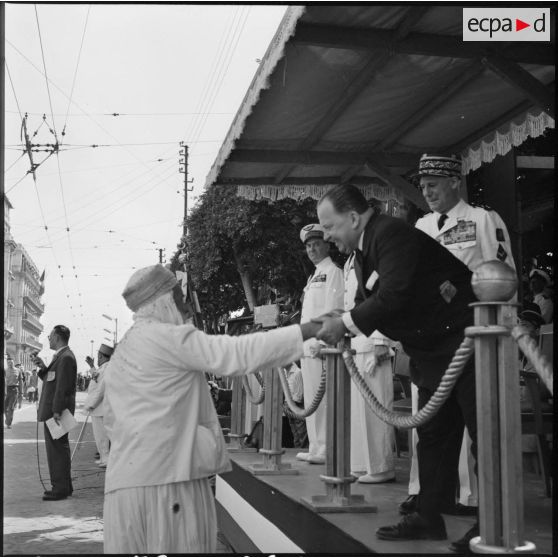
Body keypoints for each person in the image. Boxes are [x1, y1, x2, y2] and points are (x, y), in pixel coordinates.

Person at [102, 264, 322, 554]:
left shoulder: (124, 349)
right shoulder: (167, 337)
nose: (186, 306)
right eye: (180, 298)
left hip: (124, 485)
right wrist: (309, 330)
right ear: (165, 301)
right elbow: (236, 354)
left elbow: (110, 419)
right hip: (168, 485)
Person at [314, 184, 477, 546]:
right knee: (433, 438)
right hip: (433, 350)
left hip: (465, 343)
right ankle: (428, 518)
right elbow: (365, 301)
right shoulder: (364, 250)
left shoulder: (390, 234)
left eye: (329, 226)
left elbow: (393, 294)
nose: (326, 236)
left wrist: (344, 324)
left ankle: (494, 525)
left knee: (485, 436)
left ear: (353, 218)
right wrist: (338, 317)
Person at [401, 153, 518, 526]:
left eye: (433, 184)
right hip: (432, 345)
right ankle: (429, 506)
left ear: (455, 181)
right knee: (431, 429)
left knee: (479, 428)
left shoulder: (483, 220)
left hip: (473, 340)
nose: (427, 191)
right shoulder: (419, 226)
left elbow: (504, 277)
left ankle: (488, 514)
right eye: (422, 185)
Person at [344, 244, 395, 484]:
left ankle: (381, 466)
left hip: (373, 340)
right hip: (357, 341)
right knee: (358, 411)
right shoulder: (353, 258)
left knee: (376, 406)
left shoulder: (376, 252)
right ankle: (361, 463)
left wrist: (381, 341)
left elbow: (384, 295)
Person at [296, 224, 344, 465]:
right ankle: (315, 445)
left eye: (316, 244)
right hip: (308, 347)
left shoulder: (333, 271)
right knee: (311, 398)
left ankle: (325, 446)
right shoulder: (314, 274)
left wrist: (323, 343)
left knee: (323, 399)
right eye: (308, 246)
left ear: (327, 244)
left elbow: (333, 309)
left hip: (320, 346)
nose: (312, 249)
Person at [33, 325, 77, 501]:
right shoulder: (62, 357)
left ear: (58, 337)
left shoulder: (65, 358)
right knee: (59, 449)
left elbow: (62, 387)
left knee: (56, 450)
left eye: (51, 336)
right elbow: (53, 379)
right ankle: (64, 486)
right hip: (55, 411)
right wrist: (43, 367)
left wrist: (57, 410)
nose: (49, 339)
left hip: (56, 412)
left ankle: (59, 489)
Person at [84, 343, 114, 468]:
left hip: (100, 408)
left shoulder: (107, 368)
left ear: (102, 356)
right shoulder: (103, 368)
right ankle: (104, 458)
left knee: (102, 437)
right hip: (99, 409)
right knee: (100, 436)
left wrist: (90, 405)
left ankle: (106, 459)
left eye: (99, 356)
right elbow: (96, 376)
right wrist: (91, 366)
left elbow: (100, 390)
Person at [282, 362, 309, 449]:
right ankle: (297, 451)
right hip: (289, 406)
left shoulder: (297, 373)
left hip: (296, 406)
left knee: (301, 433)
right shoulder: (285, 373)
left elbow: (299, 394)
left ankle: (303, 450)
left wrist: (288, 405)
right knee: (295, 434)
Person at [4, 357, 19, 429]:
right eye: (8, 363)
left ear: (13, 362)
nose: (10, 364)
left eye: (11, 362)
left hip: (14, 390)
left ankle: (9, 423)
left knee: (11, 407)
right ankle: (7, 419)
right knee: (4, 408)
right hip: (6, 389)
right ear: (7, 363)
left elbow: (21, 382)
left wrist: (21, 393)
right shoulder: (5, 370)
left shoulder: (18, 370)